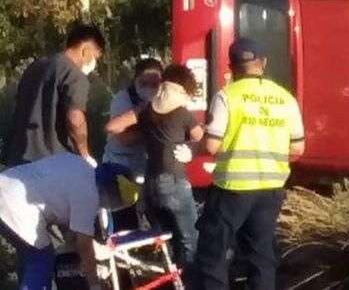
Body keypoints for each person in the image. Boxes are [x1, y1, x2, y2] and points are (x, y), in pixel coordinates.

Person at [189, 38, 305, 290]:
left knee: (213, 252)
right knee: (261, 256)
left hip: (233, 188)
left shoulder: (227, 96)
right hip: (271, 189)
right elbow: (297, 148)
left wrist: (191, 150)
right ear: (263, 63)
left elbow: (211, 145)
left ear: (231, 67)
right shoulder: (286, 99)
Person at [105, 64, 203, 283]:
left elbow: (112, 127)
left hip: (149, 186)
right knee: (190, 241)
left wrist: (147, 134)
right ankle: (190, 284)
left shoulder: (146, 110)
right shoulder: (182, 113)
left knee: (166, 240)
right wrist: (190, 148)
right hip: (175, 181)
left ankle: (170, 283)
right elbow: (203, 139)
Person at [0, 155, 140, 290]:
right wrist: (94, 285)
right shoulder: (88, 194)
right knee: (41, 259)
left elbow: (63, 212)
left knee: (32, 258)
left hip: (6, 184)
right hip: (16, 203)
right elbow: (84, 246)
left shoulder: (78, 164)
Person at [2, 22, 105, 168]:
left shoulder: (35, 67)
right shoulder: (74, 75)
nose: (94, 64)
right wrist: (85, 154)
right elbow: (75, 120)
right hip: (51, 164)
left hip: (17, 160)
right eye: (95, 57)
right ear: (85, 50)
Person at [102, 58, 164, 230]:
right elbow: (125, 139)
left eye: (155, 83)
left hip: (147, 166)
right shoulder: (123, 99)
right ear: (136, 80)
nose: (150, 87)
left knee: (157, 215)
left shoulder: (163, 101)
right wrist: (152, 130)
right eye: (144, 83)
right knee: (125, 220)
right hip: (121, 165)